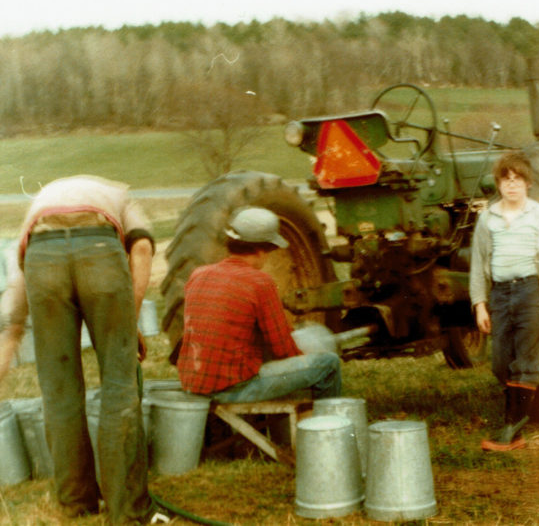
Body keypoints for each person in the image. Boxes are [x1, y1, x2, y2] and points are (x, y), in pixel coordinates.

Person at [0, 175, 154, 524]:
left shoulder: (40, 204)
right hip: (98, 250)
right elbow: (142, 249)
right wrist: (130, 322)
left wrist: (11, 335)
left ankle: (75, 501)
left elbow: (19, 268)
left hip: (42, 260)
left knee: (59, 392)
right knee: (119, 387)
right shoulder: (120, 194)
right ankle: (127, 511)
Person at [176, 207, 341, 403]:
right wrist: (305, 359)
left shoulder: (199, 274)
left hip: (193, 382)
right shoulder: (260, 282)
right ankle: (325, 426)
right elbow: (282, 349)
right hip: (231, 388)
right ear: (261, 249)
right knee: (328, 364)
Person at [470, 151, 539, 452]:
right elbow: (478, 262)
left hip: (531, 294)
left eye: (518, 180)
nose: (512, 185)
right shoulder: (488, 219)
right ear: (499, 184)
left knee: (525, 363)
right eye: (506, 180)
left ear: (528, 184)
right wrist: (480, 303)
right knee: (501, 365)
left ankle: (512, 434)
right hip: (500, 295)